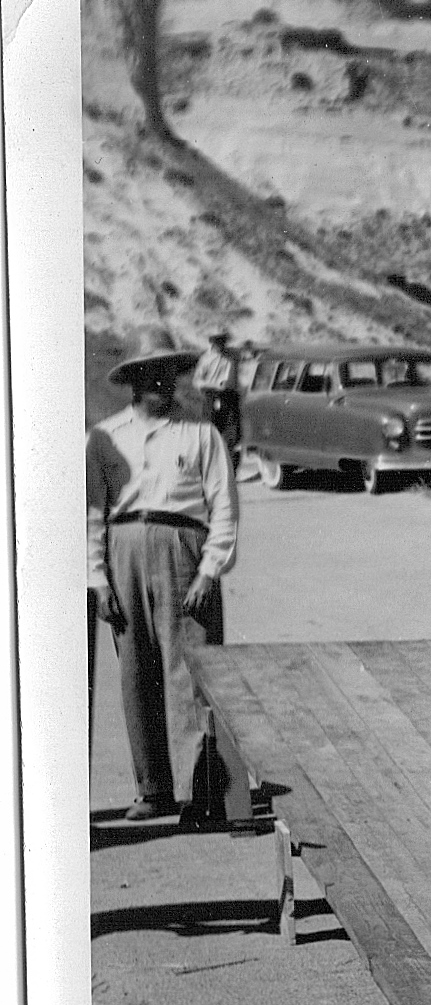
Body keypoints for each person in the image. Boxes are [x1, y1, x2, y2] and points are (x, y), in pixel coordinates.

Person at [87, 328, 239, 826]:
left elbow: (223, 509)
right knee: (136, 674)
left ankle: (207, 794)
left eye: (168, 374)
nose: (162, 385)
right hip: (124, 547)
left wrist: (209, 571)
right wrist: (99, 580)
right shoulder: (107, 437)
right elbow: (93, 514)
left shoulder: (201, 434)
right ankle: (152, 789)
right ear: (132, 382)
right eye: (149, 375)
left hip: (183, 549)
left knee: (192, 674)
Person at [193, 331, 242, 451]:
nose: (221, 343)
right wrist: (213, 385)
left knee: (233, 432)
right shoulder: (206, 359)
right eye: (218, 340)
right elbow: (197, 381)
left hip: (230, 396)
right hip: (211, 396)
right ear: (212, 342)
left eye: (223, 340)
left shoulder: (233, 354)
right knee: (211, 431)